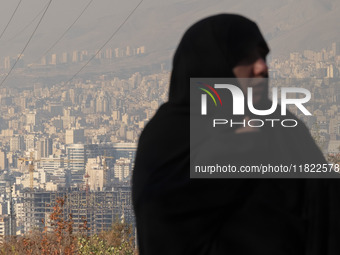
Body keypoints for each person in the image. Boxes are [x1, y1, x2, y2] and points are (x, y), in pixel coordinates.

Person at [132, 14, 340, 255]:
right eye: (244, 57)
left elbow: (327, 207)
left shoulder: (281, 128)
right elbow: (163, 224)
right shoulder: (168, 139)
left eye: (262, 55)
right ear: (211, 66)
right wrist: (240, 149)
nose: (262, 67)